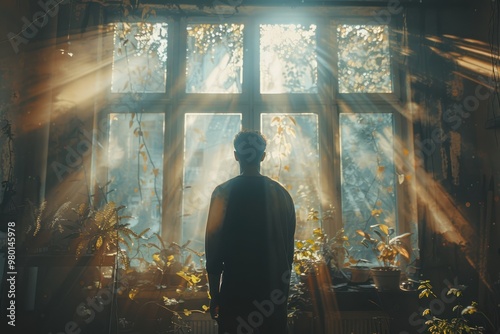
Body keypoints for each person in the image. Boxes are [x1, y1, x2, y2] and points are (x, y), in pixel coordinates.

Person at [205, 130, 296, 334]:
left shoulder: (222, 193)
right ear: (263, 156)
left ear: (236, 155)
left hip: (234, 296)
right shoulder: (282, 195)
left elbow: (214, 252)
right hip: (271, 300)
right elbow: (288, 255)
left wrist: (215, 295)